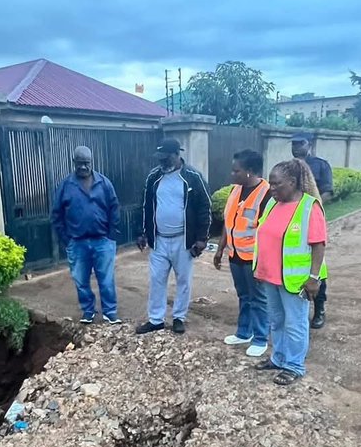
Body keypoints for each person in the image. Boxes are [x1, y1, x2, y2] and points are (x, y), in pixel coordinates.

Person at [253, 159, 327, 385]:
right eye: (271, 183)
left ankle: (294, 365)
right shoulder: (272, 204)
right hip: (270, 276)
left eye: (277, 184)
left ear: (293, 182)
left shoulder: (309, 207)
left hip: (296, 280)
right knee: (276, 321)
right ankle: (278, 358)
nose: (272, 188)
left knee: (295, 324)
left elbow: (318, 244)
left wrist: (313, 278)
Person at [136, 137, 211, 335]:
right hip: (159, 239)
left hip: (183, 240)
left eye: (166, 157)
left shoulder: (193, 177)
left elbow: (204, 208)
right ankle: (156, 320)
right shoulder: (153, 177)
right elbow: (144, 206)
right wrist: (142, 232)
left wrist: (202, 238)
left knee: (183, 281)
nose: (162, 161)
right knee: (157, 280)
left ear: (177, 155)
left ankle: (179, 317)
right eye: (159, 157)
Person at [51, 146, 120, 324]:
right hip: (77, 242)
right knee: (81, 281)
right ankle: (88, 311)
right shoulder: (65, 186)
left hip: (103, 241)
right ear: (73, 162)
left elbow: (114, 207)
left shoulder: (104, 183)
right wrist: (66, 240)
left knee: (106, 279)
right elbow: (56, 215)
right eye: (79, 163)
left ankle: (110, 312)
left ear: (91, 162)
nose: (83, 166)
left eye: (86, 163)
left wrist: (111, 234)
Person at [213, 149, 271, 357]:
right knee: (243, 296)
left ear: (250, 171)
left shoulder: (267, 194)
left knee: (258, 299)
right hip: (235, 255)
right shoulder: (235, 191)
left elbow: (268, 231)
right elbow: (228, 222)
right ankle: (244, 332)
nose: (232, 174)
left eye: (236, 170)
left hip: (254, 257)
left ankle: (261, 338)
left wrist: (263, 260)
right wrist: (220, 249)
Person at [290, 136, 333, 329]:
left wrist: (312, 208)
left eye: (300, 143)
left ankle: (319, 308)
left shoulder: (320, 165)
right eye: (293, 143)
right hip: (290, 220)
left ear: (310, 145)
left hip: (311, 218)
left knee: (316, 263)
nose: (296, 147)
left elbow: (328, 191)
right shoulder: (288, 167)